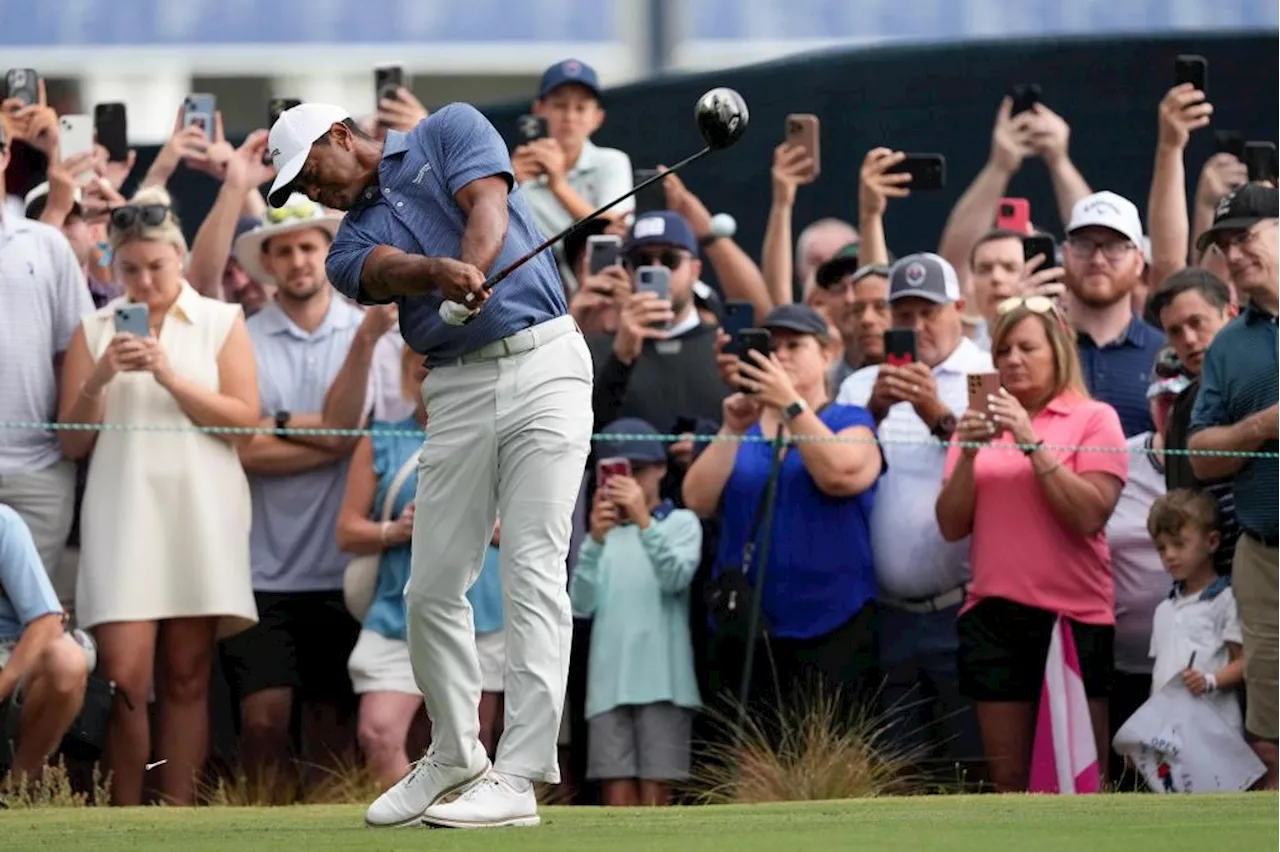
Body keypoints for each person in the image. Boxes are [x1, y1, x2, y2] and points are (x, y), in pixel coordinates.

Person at [267, 99, 592, 828]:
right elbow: (385, 271)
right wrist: (437, 275)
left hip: (546, 363)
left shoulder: (448, 128)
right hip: (455, 388)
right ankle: (454, 751)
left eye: (310, 172)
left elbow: (488, 208)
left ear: (341, 134)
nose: (310, 193)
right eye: (295, 190)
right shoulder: (344, 247)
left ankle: (519, 775)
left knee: (533, 568)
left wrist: (469, 271)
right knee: (433, 585)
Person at [56, 187, 260, 806]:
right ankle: (122, 814)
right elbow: (71, 442)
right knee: (124, 677)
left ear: (178, 258)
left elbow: (242, 423)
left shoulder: (222, 321)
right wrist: (100, 375)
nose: (143, 281)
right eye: (130, 269)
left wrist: (169, 374)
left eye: (156, 267)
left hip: (202, 515)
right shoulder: (92, 330)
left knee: (187, 676)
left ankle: (178, 814)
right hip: (122, 518)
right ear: (112, 269)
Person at [936, 295, 1128, 793]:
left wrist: (1030, 440)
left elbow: (1089, 515)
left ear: (1058, 351)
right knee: (1011, 782)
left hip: (1073, 616)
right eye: (1003, 351)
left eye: (1026, 348)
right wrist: (970, 454)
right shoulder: (975, 424)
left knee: (1082, 777)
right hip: (995, 614)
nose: (1012, 360)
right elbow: (952, 526)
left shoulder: (1094, 417)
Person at [221, 193, 372, 783]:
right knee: (263, 721)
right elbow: (244, 447)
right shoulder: (245, 337)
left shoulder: (368, 331)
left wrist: (281, 425)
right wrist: (328, 436)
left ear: (328, 251)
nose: (298, 260)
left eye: (308, 246)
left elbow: (359, 438)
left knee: (335, 728)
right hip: (263, 567)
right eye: (282, 250)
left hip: (347, 565)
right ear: (268, 264)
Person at [683, 304, 883, 721]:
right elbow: (697, 499)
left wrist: (791, 406)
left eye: (795, 345)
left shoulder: (849, 417)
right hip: (751, 626)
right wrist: (731, 430)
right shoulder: (745, 425)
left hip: (834, 621)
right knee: (754, 764)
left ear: (828, 353)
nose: (782, 355)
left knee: (833, 758)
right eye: (772, 347)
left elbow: (842, 475)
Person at [836, 253, 990, 776]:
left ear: (959, 309)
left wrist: (937, 416)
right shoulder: (860, 387)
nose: (917, 326)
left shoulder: (984, 374)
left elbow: (996, 474)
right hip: (886, 613)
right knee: (896, 772)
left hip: (963, 607)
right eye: (904, 316)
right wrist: (872, 413)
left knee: (969, 766)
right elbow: (839, 475)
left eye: (929, 311)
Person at [337, 345, 505, 791]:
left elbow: (529, 531)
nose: (435, 373)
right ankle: (412, 824)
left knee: (473, 741)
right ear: (411, 370)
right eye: (426, 363)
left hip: (479, 610)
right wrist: (397, 529)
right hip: (398, 611)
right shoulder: (381, 438)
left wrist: (467, 518)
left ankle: (456, 831)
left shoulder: (497, 435)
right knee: (379, 732)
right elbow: (347, 531)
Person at [1187, 183, 1280, 789]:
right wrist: (1264, 425)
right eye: (1223, 244)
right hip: (1265, 556)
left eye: (1245, 236)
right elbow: (1197, 454)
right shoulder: (1227, 343)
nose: (1234, 253)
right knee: (1271, 739)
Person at [569, 418, 702, 807]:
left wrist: (644, 521)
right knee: (616, 795)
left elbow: (676, 577)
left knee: (658, 793)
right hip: (607, 686)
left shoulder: (682, 523)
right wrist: (593, 541)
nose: (627, 482)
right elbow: (580, 605)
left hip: (664, 682)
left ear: (661, 468)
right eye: (616, 472)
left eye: (637, 471)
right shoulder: (599, 535)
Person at [0, 116, 93, 579]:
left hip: (37, 470)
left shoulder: (46, 243)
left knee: (32, 626)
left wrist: (66, 446)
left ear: (4, 156)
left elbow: (70, 351)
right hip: (38, 471)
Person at [1147, 268, 1239, 574]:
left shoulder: (1268, 380)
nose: (1188, 339)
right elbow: (1182, 509)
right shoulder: (1184, 407)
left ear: (1231, 313)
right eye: (1174, 331)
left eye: (1197, 323)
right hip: (1217, 585)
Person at [513, 59, 632, 291]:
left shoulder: (611, 161)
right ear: (538, 110)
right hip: (535, 292)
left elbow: (615, 227)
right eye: (559, 105)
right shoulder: (518, 169)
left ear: (598, 118)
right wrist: (507, 185)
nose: (569, 116)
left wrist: (558, 185)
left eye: (581, 108)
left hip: (600, 290)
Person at [1061, 191, 1165, 437]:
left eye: (1114, 246)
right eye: (1084, 245)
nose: (1097, 259)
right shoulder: (1032, 348)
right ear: (1065, 255)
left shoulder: (1167, 353)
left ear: (1139, 261)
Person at [0, 505, 89, 782]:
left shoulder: (4, 524)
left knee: (67, 660)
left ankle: (15, 791)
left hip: (7, 658)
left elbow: (46, 624)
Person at [1146, 490, 1245, 735]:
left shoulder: (1227, 599)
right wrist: (1145, 730)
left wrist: (1210, 680)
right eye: (1161, 548)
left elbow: (1246, 662)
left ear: (1212, 542)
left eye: (1179, 544)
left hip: (1215, 734)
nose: (1169, 555)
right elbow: (1160, 676)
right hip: (1169, 734)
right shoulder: (1163, 611)